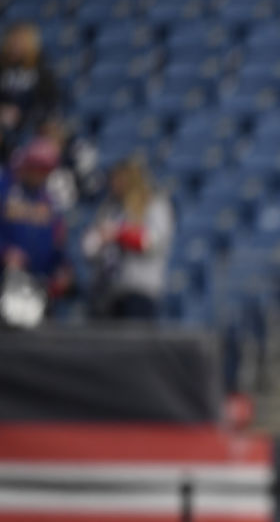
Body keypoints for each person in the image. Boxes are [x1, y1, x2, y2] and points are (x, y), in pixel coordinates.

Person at [81, 157, 174, 319]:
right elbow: (89, 247)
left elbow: (149, 242)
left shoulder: (155, 205)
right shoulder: (110, 208)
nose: (115, 184)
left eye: (121, 179)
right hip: (107, 291)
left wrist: (117, 234)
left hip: (139, 290)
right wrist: (101, 240)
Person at [0, 137, 71, 327]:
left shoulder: (48, 199)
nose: (41, 174)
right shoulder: (4, 189)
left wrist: (62, 266)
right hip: (6, 279)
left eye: (46, 169)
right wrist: (5, 251)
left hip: (38, 283)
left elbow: (57, 241)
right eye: (37, 168)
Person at [0, 22, 60, 157]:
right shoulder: (2, 68)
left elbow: (50, 102)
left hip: (32, 124)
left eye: (19, 43)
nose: (15, 47)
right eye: (12, 42)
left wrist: (23, 116)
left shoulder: (41, 69)